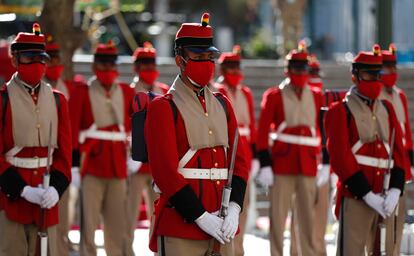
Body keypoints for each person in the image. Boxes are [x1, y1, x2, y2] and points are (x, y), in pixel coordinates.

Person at [145, 13, 249, 256]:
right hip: (182, 227)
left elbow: (239, 163)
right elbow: (165, 173)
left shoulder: (223, 104)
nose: (206, 63)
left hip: (223, 227)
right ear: (180, 60)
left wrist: (234, 207)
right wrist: (200, 216)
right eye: (198, 57)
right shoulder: (163, 107)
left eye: (210, 57)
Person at [325, 44, 408, 255]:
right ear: (355, 77)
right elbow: (341, 158)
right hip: (356, 196)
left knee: (388, 251)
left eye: (377, 75)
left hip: (387, 194)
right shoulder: (339, 111)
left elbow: (398, 151)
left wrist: (396, 189)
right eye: (368, 75)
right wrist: (368, 195)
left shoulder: (388, 109)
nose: (375, 80)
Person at [0, 23, 72, 256]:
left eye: (41, 58)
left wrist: (56, 188)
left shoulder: (59, 100)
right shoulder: (2, 100)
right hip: (11, 198)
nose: (37, 64)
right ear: (14, 61)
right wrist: (21, 189)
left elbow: (63, 154)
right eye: (29, 58)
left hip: (46, 197)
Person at [256, 41, 323, 256]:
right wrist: (264, 164)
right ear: (287, 70)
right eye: (296, 69)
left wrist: (326, 163)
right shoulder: (274, 95)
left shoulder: (316, 95)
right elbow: (263, 131)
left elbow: (324, 131)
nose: (300, 74)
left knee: (307, 220)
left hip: (308, 164)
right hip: (282, 164)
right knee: (278, 217)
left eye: (303, 70)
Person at [69, 40, 135, 256]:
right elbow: (71, 132)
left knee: (117, 226)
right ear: (94, 66)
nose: (107, 68)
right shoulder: (82, 92)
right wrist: (75, 166)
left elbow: (134, 126)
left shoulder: (126, 92)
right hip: (91, 167)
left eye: (111, 64)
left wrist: (134, 156)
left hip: (117, 166)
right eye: (103, 64)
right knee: (88, 225)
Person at [125, 41, 169, 256]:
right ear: (136, 68)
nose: (149, 69)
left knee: (158, 213)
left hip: (156, 165)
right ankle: (126, 251)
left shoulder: (164, 91)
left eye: (152, 64)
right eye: (144, 65)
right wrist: (128, 155)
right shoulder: (127, 91)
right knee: (128, 213)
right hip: (133, 163)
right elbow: (124, 126)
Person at [213, 45, 258, 256]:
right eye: (230, 67)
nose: (234, 72)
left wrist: (257, 156)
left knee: (242, 206)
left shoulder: (246, 93)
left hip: (245, 154)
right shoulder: (216, 92)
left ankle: (239, 250)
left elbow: (253, 126)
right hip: (227, 155)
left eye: (236, 67)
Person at [378, 43, 413, 255]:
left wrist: (411, 161)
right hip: (380, 164)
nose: (390, 73)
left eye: (393, 69)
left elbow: (406, 131)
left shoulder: (400, 96)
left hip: (400, 165)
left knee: (398, 220)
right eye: (385, 69)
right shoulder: (372, 96)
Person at [43, 34, 76, 256]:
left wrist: (74, 164)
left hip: (62, 164)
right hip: (40, 160)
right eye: (50, 58)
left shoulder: (71, 89)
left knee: (63, 216)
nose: (55, 63)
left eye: (57, 58)